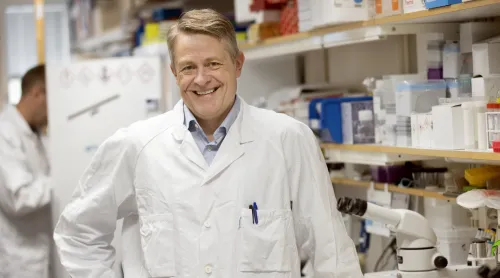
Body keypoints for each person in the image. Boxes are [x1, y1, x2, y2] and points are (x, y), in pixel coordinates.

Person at [53, 9, 363, 278]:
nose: (201, 79)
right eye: (188, 67)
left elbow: (330, 251)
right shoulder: (136, 145)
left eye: (213, 64)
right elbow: (79, 233)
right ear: (174, 73)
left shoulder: (287, 139)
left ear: (238, 65)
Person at [0, 64, 51, 278]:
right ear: (37, 93)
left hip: (40, 254)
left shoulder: (37, 134)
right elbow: (18, 198)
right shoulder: (5, 133)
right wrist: (64, 180)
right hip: (20, 261)